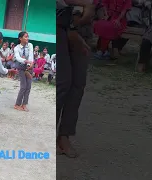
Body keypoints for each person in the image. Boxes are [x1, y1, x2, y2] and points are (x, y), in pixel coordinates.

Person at [57, 0, 95, 158]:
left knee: (78, 85)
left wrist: (89, 8)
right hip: (60, 26)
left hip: (84, 28)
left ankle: (64, 136)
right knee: (63, 83)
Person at [13, 31, 34, 112]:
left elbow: (31, 55)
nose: (27, 38)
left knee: (28, 87)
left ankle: (24, 104)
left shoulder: (30, 45)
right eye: (25, 37)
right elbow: (18, 58)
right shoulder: (16, 48)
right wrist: (26, 61)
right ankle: (17, 104)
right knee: (23, 86)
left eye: (28, 36)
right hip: (21, 68)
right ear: (20, 38)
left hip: (29, 67)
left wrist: (29, 65)